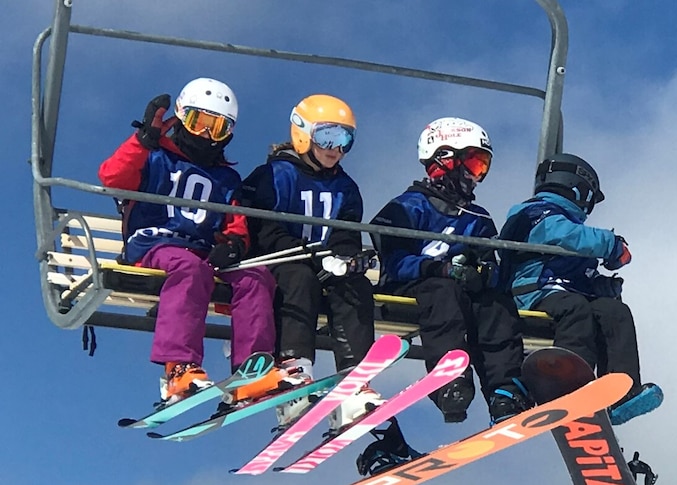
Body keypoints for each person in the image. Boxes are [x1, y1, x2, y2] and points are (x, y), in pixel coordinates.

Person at [98, 77, 277, 405]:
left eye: (217, 128)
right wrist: (142, 142)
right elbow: (112, 178)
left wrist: (234, 245)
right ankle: (179, 367)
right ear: (181, 117)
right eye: (199, 123)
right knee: (190, 268)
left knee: (256, 277)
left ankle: (250, 372)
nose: (206, 135)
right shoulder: (157, 156)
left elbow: (235, 223)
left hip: (202, 252)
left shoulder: (226, 178)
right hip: (154, 243)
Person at [370, 117, 530, 425]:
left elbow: (490, 262)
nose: (475, 175)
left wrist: (483, 274)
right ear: (443, 159)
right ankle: (450, 381)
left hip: (460, 289)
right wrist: (439, 269)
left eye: (482, 166)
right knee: (443, 291)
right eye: (472, 163)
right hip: (413, 285)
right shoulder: (407, 207)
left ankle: (505, 390)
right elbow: (394, 260)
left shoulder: (477, 218)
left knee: (494, 301)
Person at [241, 94, 380, 429]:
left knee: (354, 286)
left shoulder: (345, 187)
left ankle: (354, 382)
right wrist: (303, 251)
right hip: (279, 261)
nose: (336, 149)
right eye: (327, 137)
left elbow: (346, 232)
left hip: (324, 265)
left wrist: (348, 257)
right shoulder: (273, 175)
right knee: (298, 279)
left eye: (345, 140)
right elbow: (260, 226)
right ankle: (293, 370)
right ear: (303, 133)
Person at [498, 152, 663, 425]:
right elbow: (563, 235)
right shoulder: (534, 213)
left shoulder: (567, 226)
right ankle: (569, 381)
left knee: (613, 312)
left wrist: (602, 286)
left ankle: (621, 389)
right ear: (578, 190)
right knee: (575, 310)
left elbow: (577, 271)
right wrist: (611, 244)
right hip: (532, 293)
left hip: (564, 294)